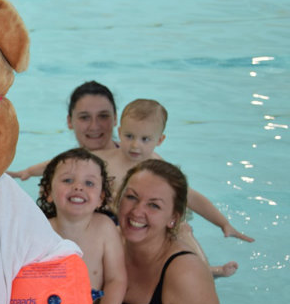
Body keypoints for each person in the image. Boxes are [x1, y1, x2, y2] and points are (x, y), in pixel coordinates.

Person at [93, 99, 254, 277]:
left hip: (143, 224)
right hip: (116, 225)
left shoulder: (156, 165)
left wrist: (223, 223)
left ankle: (204, 271)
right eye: (129, 136)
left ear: (160, 140)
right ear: (119, 132)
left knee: (182, 227)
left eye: (145, 139)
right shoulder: (104, 163)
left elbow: (189, 196)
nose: (135, 145)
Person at [103, 159, 224, 304]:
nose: (136, 211)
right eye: (131, 197)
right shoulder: (105, 241)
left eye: (154, 205)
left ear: (173, 218)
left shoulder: (184, 271)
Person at [36, 148, 126, 304]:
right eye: (68, 180)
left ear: (101, 198)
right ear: (48, 192)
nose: (78, 187)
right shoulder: (40, 231)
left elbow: (116, 280)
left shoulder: (105, 228)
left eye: (89, 183)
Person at [8, 80, 118, 181]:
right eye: (84, 117)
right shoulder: (71, 163)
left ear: (115, 118)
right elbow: (55, 164)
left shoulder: (131, 156)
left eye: (103, 116)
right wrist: (28, 172)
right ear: (69, 121)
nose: (94, 126)